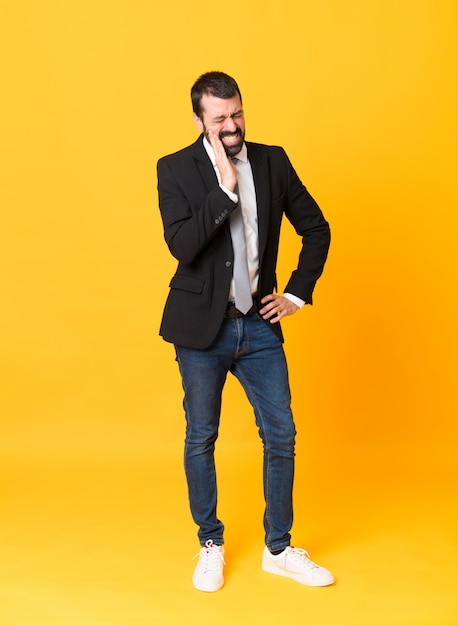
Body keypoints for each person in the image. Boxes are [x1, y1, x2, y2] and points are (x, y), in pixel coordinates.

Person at [157, 71, 333, 592]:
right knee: (201, 436)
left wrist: (297, 294)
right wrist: (226, 192)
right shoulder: (175, 168)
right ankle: (210, 543)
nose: (231, 126)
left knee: (281, 435)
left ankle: (278, 548)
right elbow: (183, 247)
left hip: (258, 326)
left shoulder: (273, 160)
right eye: (219, 119)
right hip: (200, 332)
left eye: (237, 114)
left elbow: (317, 228)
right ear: (198, 120)